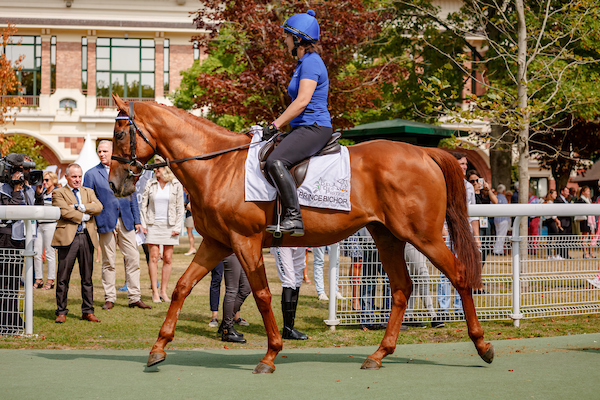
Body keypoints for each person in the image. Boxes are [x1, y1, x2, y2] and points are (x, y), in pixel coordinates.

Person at [263, 10, 332, 237]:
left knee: (275, 161)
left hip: (314, 126)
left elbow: (302, 101)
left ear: (299, 39)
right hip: (303, 127)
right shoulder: (303, 63)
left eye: (287, 36)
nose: (285, 40)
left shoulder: (311, 63)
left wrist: (275, 125)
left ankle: (294, 217)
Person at [84, 140, 150, 310]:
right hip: (105, 222)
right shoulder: (91, 174)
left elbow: (132, 197)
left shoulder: (124, 171)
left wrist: (137, 221)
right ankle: (110, 297)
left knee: (133, 258)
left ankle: (135, 297)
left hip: (126, 221)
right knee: (108, 262)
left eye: (105, 151)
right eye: (99, 151)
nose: (102, 154)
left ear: (112, 152)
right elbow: (87, 200)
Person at [52, 163, 103, 323]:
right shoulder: (58, 192)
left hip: (86, 237)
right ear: (67, 177)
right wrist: (85, 215)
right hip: (68, 238)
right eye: (74, 176)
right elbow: (64, 211)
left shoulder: (88, 191)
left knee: (87, 277)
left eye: (79, 176)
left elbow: (99, 207)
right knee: (63, 278)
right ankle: (61, 311)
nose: (77, 180)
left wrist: (79, 207)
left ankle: (88, 311)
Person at [433, 152, 479, 328]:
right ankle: (443, 309)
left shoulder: (468, 186)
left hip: (464, 233)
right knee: (447, 271)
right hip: (448, 232)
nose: (465, 167)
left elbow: (473, 213)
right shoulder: (444, 183)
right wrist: (441, 228)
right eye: (461, 164)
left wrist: (476, 235)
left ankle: (461, 309)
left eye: (465, 164)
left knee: (465, 270)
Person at [0, 155, 37, 333]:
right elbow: (12, 211)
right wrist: (16, 188)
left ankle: (12, 318)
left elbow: (33, 208)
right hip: (5, 240)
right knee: (5, 283)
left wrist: (34, 191)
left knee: (14, 283)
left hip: (20, 240)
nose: (22, 174)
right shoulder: (2, 188)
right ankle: (5, 321)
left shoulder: (25, 187)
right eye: (20, 170)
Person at [140, 156, 184, 303]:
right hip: (153, 225)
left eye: (158, 166)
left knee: (168, 258)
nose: (155, 169)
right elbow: (143, 205)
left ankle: (163, 291)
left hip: (170, 225)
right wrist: (144, 224)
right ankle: (154, 292)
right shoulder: (150, 183)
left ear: (166, 168)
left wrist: (178, 227)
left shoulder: (176, 184)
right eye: (154, 166)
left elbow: (180, 207)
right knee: (153, 258)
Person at [271, 246, 309, 340]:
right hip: (283, 238)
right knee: (289, 281)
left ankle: (291, 327)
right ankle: (287, 329)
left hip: (299, 238)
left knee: (297, 280)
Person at [359, 227, 391, 331]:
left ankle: (367, 319)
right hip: (381, 239)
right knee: (388, 280)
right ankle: (386, 319)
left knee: (369, 280)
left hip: (367, 238)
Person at [33, 171, 59, 290]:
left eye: (47, 180)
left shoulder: (56, 193)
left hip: (51, 225)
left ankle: (50, 279)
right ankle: (38, 279)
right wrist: (38, 194)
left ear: (53, 180)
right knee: (37, 252)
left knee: (49, 253)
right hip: (40, 225)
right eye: (43, 180)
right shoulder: (42, 192)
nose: (44, 182)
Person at [217, 254, 251, 343]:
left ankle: (225, 323)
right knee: (232, 289)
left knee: (246, 288)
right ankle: (227, 329)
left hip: (241, 252)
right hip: (231, 251)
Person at [467, 170, 498, 266]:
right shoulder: (469, 194)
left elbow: (495, 201)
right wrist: (474, 191)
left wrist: (488, 189)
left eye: (477, 180)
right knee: (476, 248)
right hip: (474, 224)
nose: (475, 183)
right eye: (472, 181)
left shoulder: (484, 193)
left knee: (485, 248)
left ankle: (480, 271)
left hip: (485, 224)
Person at [402, 243, 436, 328]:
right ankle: (433, 316)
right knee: (423, 277)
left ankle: (407, 316)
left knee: (415, 280)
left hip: (422, 244)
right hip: (412, 243)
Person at [576, 186, 596, 259]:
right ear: (583, 192)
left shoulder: (589, 200)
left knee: (592, 235)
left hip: (590, 220)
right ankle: (585, 252)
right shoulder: (581, 200)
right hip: (584, 219)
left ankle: (591, 251)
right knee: (584, 236)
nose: (588, 193)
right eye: (587, 191)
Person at [542, 189, 563, 260]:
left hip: (548, 220)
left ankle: (550, 255)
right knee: (556, 236)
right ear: (551, 194)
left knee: (550, 238)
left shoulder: (546, 202)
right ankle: (556, 254)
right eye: (555, 194)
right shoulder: (550, 203)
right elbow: (552, 214)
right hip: (551, 221)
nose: (556, 195)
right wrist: (557, 220)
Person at [555, 187, 573, 259]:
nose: (568, 193)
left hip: (568, 222)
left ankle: (566, 254)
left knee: (567, 239)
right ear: (562, 191)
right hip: (563, 222)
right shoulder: (558, 199)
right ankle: (561, 254)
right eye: (566, 192)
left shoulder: (567, 200)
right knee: (562, 239)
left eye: (568, 192)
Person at [494, 184, 511, 256]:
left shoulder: (496, 197)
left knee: (498, 234)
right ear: (503, 191)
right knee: (501, 235)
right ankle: (498, 250)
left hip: (496, 219)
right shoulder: (504, 199)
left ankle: (498, 249)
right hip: (503, 219)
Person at [183, 189, 196, 256]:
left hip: (190, 216)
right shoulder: (189, 195)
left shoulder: (190, 195)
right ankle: (192, 248)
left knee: (190, 233)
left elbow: (188, 206)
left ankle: (192, 248)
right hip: (190, 215)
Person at [528, 189, 541, 256]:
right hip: (529, 218)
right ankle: (530, 248)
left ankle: (534, 249)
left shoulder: (535, 199)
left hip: (534, 218)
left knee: (534, 234)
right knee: (529, 234)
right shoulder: (528, 199)